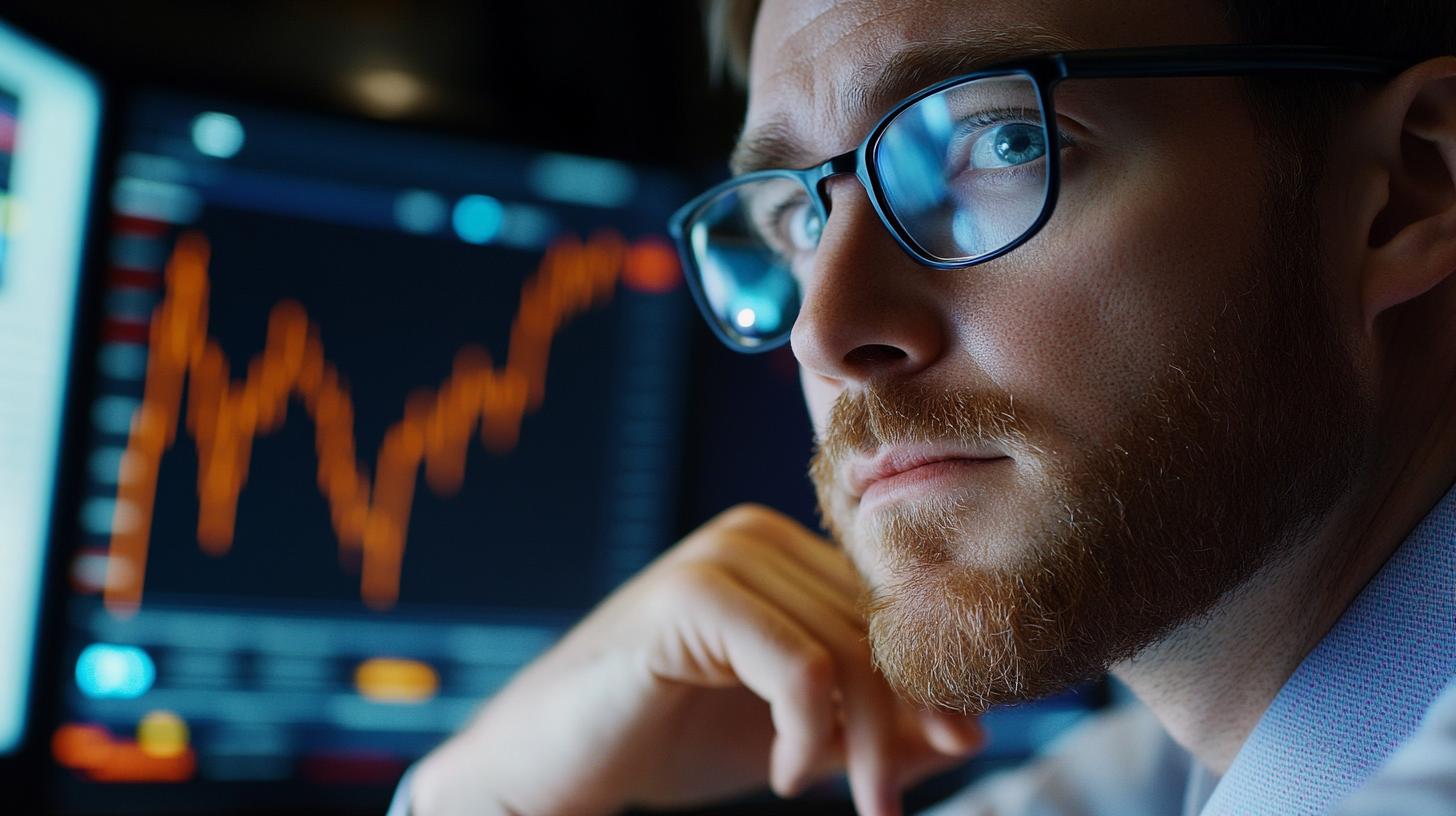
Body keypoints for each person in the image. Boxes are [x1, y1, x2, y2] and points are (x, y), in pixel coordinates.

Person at [396, 1, 1456, 813]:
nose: (823, 328)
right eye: (791, 219)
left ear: (1408, 189)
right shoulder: (1169, 771)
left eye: (1001, 143)